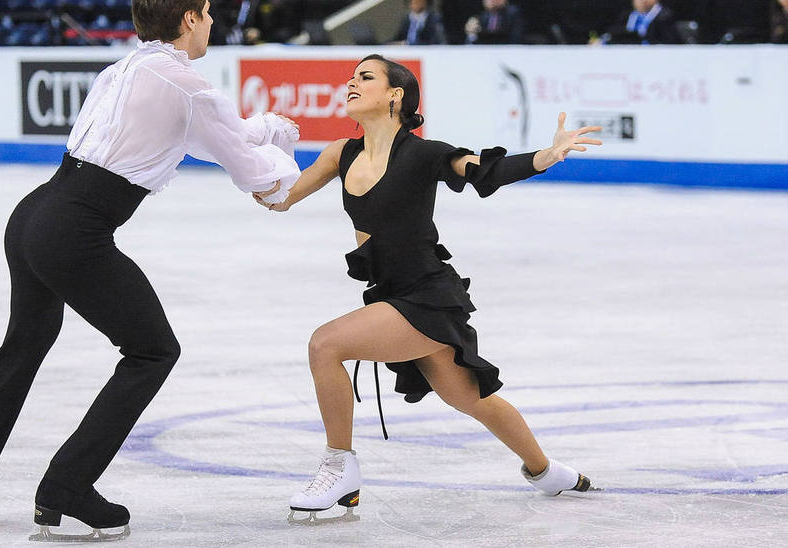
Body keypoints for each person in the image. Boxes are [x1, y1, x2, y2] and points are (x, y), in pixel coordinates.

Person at [0, 0, 301, 541]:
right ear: (188, 20)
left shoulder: (126, 68)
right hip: (72, 232)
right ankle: (67, 486)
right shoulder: (188, 86)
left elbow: (208, 138)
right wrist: (284, 157)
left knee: (25, 343)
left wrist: (263, 129)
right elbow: (247, 171)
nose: (213, 22)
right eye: (206, 12)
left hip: (35, 213)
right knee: (153, 350)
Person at [253, 55, 603, 519]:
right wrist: (247, 155)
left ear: (395, 94)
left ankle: (341, 469)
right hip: (390, 295)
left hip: (427, 295)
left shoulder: (423, 153)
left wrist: (545, 155)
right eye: (351, 77)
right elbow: (280, 198)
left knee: (325, 344)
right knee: (469, 398)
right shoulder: (342, 153)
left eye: (365, 77)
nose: (351, 83)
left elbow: (483, 171)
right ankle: (546, 471)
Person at [600, 0, 680, 45]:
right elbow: (615, 33)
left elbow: (669, 41)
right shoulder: (626, 15)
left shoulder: (665, 16)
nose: (643, 1)